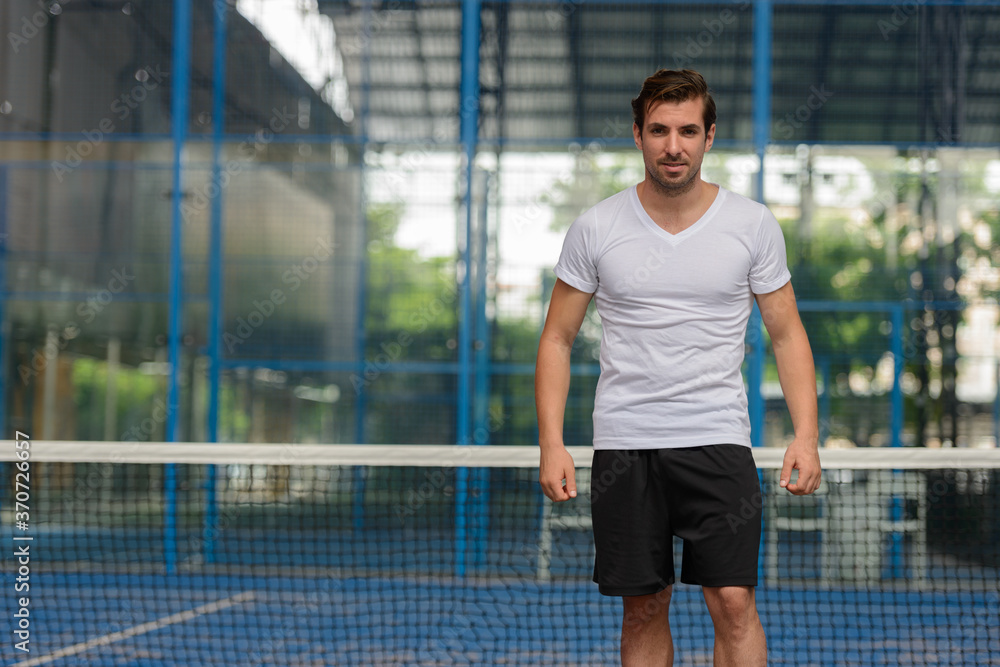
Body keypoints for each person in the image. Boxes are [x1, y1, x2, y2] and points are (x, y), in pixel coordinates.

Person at [534, 69, 822, 667]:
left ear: (709, 137)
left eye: (688, 130)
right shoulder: (596, 227)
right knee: (643, 605)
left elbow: (787, 332)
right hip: (626, 446)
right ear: (637, 134)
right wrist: (552, 443)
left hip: (718, 441)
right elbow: (557, 337)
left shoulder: (752, 224)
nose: (674, 146)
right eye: (659, 130)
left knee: (734, 602)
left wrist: (807, 437)